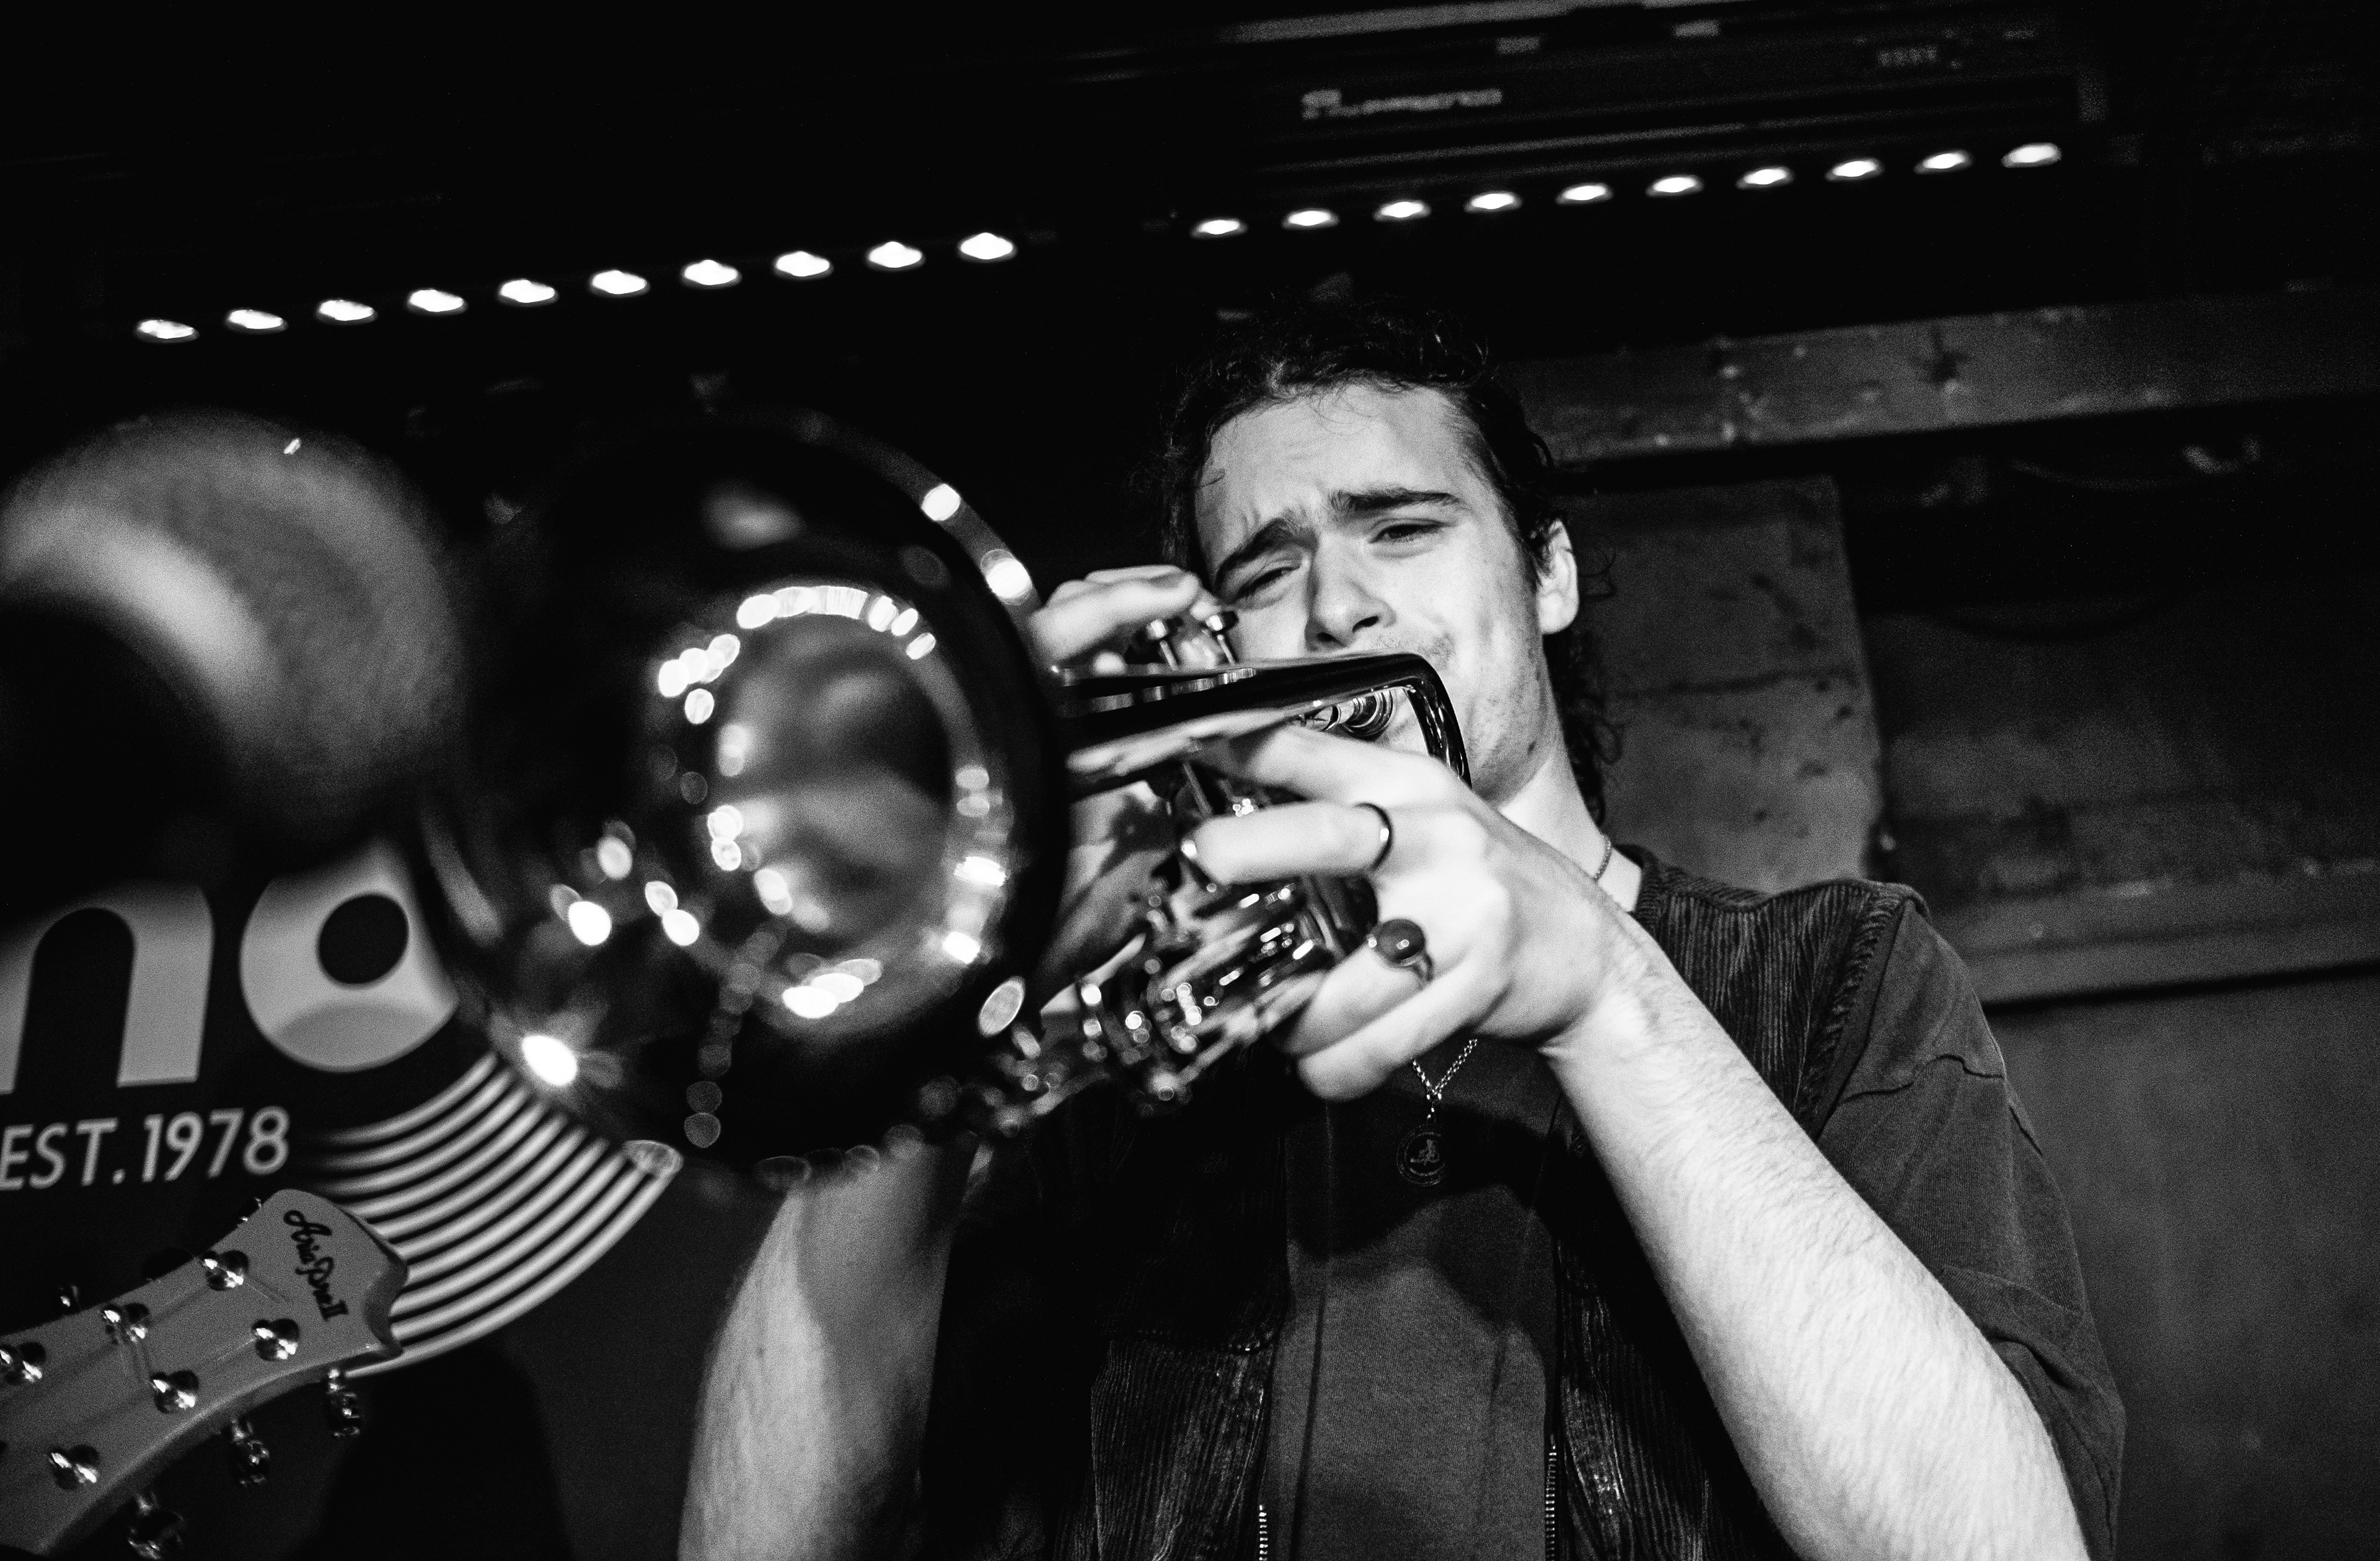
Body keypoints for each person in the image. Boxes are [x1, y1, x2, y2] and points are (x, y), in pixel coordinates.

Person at [680, 298, 2123, 1561]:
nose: (1337, 604)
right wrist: (945, 1006)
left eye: (1403, 527)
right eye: (1264, 572)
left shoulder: (1839, 974)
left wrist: (1608, 991)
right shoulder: (1124, 1074)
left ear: (1547, 573)